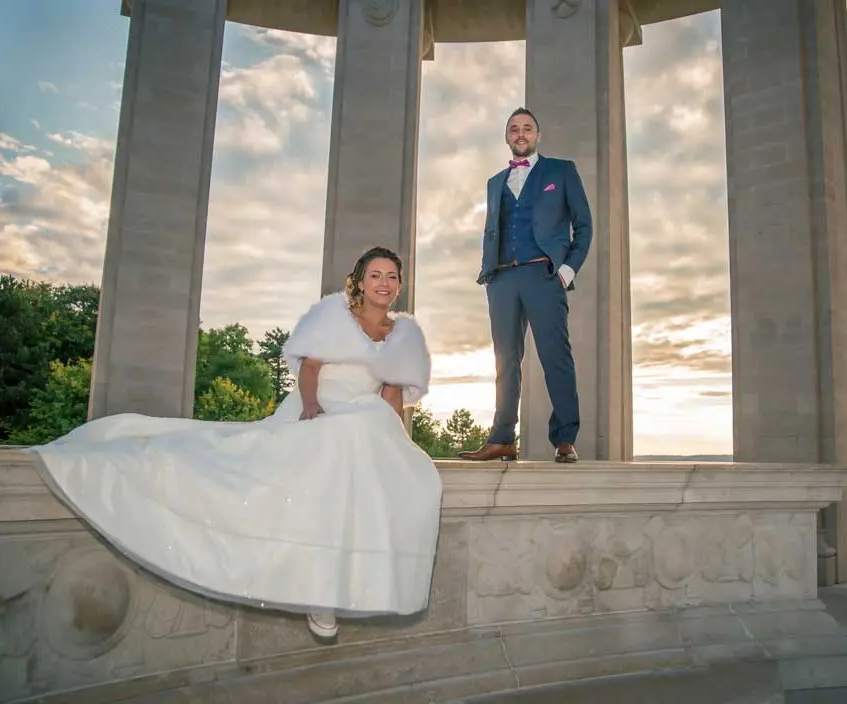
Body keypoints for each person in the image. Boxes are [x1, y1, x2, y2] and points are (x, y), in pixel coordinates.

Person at [30, 246, 442, 645]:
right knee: (331, 444)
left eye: (391, 276)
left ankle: (329, 586)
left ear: (399, 285)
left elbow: (391, 397)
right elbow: (311, 367)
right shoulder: (334, 315)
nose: (384, 283)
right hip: (321, 404)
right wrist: (311, 405)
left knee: (378, 443)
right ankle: (317, 591)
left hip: (364, 418)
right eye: (375, 275)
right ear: (359, 282)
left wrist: (397, 449)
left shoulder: (403, 335)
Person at [460, 107, 592, 464]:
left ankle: (564, 438)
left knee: (555, 357)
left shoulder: (561, 171)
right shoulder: (495, 183)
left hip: (543, 276)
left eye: (527, 128)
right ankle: (502, 438)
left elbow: (584, 225)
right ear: (507, 137)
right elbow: (493, 229)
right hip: (502, 278)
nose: (521, 133)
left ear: (538, 135)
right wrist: (488, 273)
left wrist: (567, 270)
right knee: (505, 360)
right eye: (514, 128)